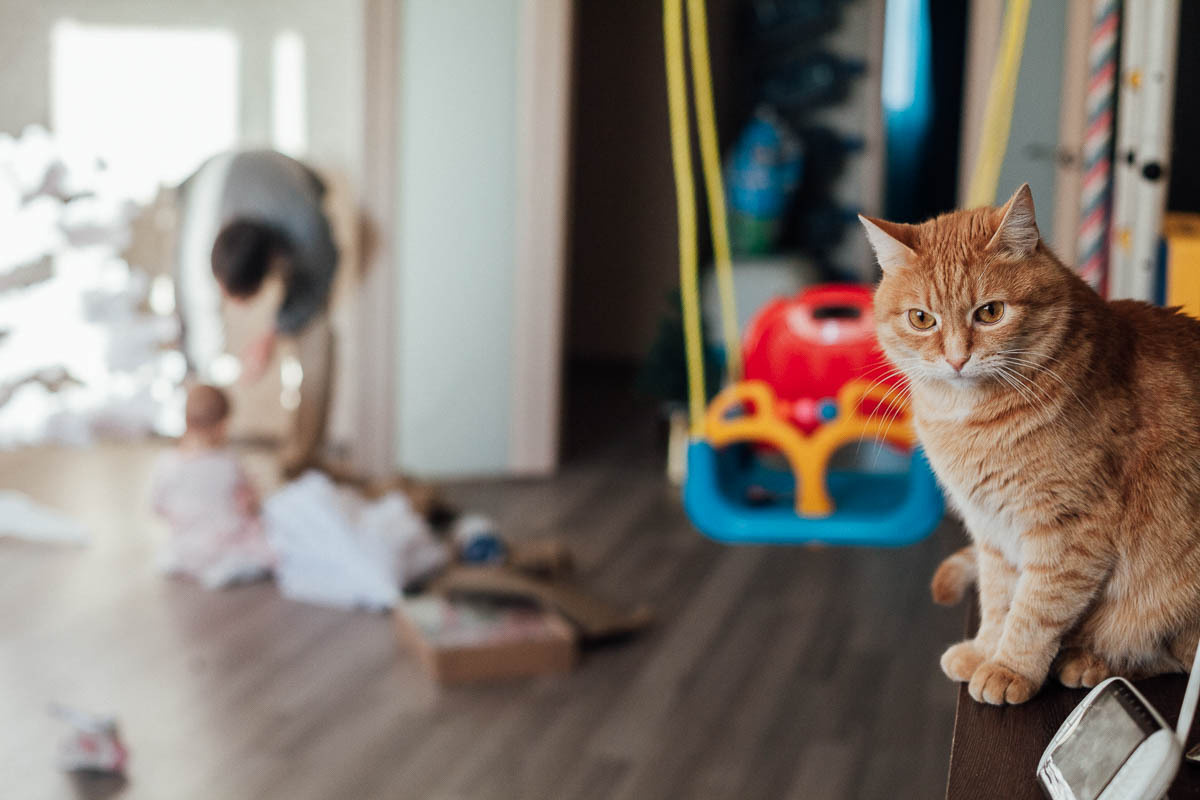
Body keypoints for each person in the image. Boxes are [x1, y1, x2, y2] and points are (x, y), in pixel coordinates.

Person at [174, 149, 338, 478]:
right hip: (213, 176)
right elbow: (193, 311)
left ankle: (302, 458)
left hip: (294, 180)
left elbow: (317, 284)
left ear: (272, 268)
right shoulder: (200, 225)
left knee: (317, 333)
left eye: (240, 297)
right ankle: (196, 437)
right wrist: (200, 376)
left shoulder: (308, 231)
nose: (232, 305)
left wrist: (274, 332)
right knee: (193, 321)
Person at [150, 384, 274, 589]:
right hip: (221, 544)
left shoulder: (165, 462)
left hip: (184, 542)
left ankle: (180, 560)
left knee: (176, 548)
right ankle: (223, 568)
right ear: (222, 425)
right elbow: (247, 507)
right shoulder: (229, 463)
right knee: (263, 544)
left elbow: (156, 506)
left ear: (186, 420)